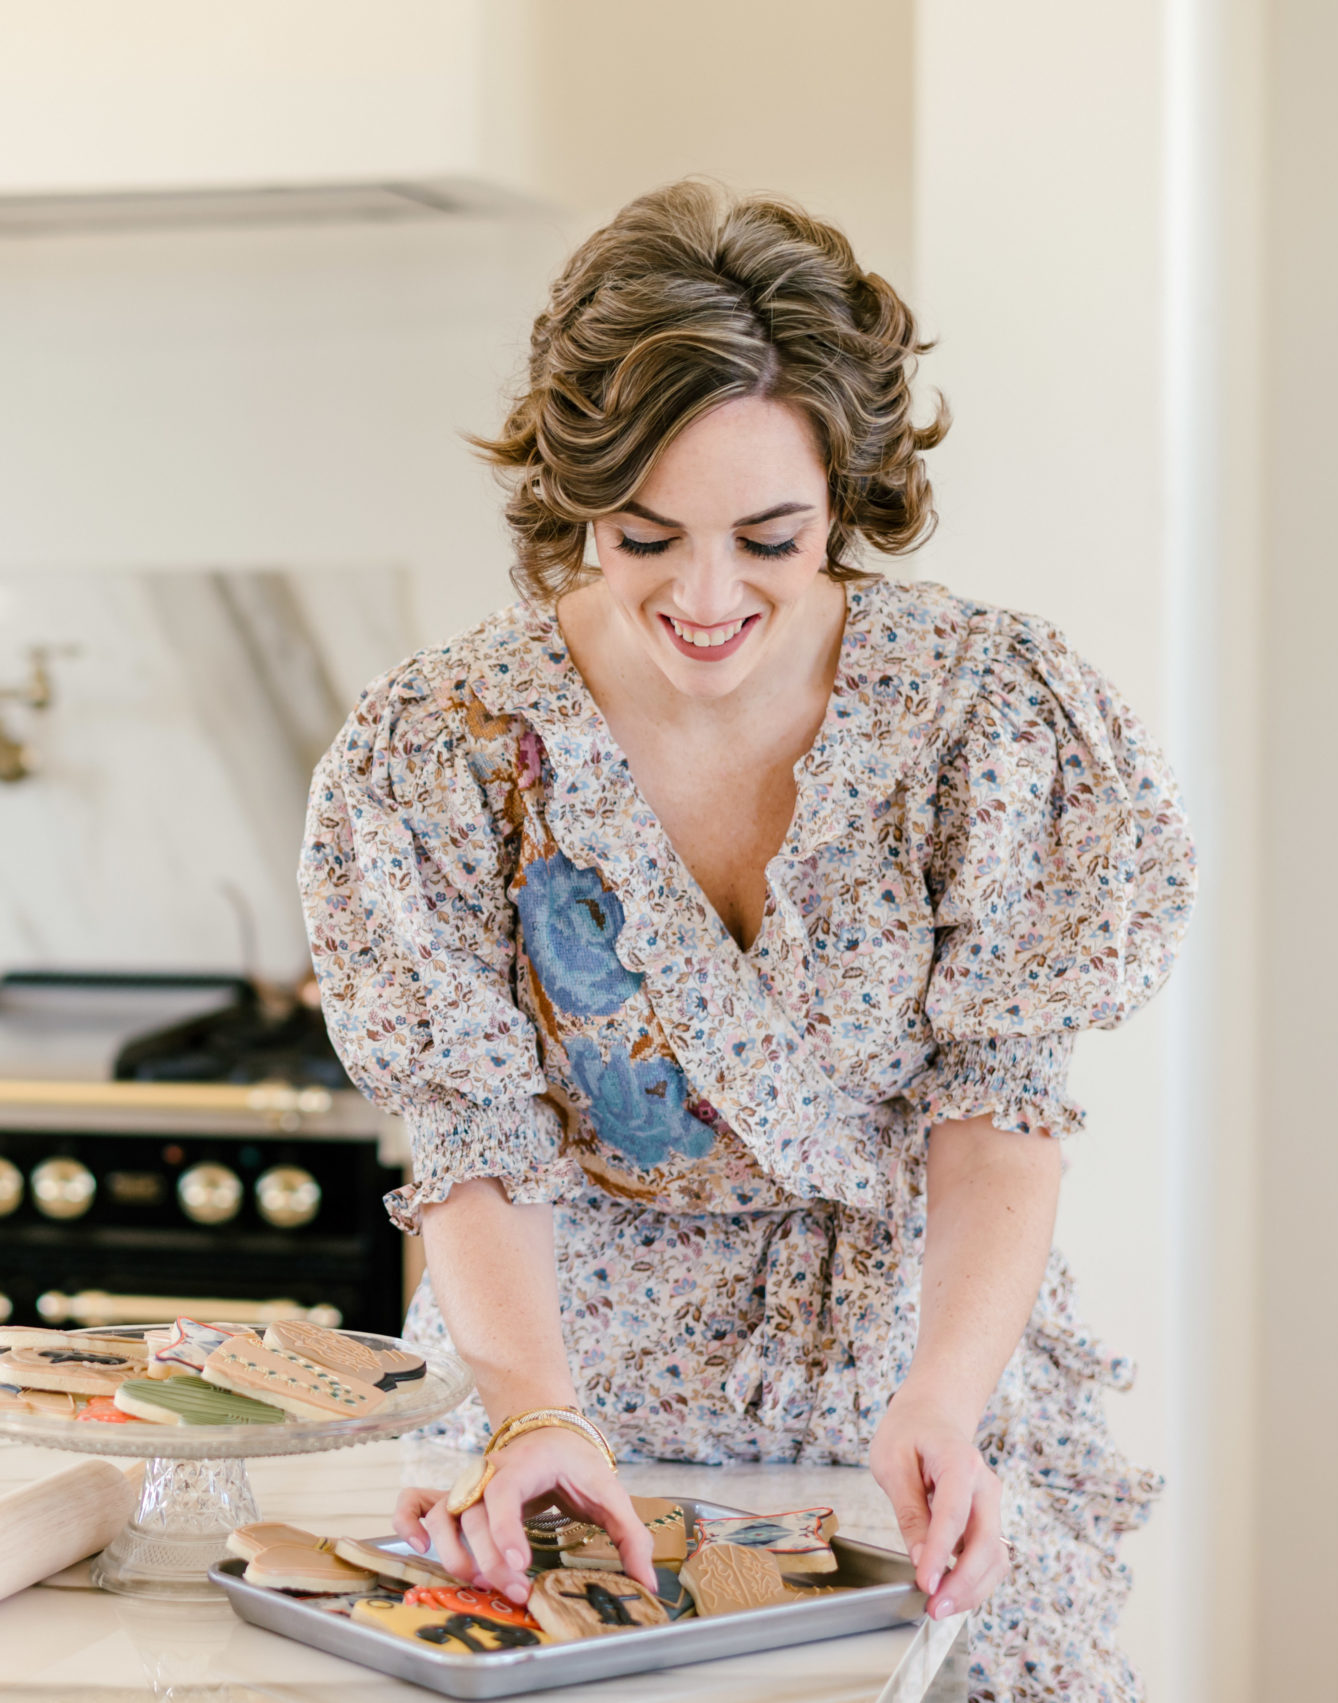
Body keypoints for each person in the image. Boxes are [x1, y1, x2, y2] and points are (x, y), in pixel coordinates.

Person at [299, 181, 1191, 1703]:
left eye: (770, 538)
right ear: (574, 492)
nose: (708, 599)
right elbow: (473, 1137)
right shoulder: (441, 751)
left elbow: (999, 1107)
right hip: (570, 1393)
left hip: (911, 1376)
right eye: (646, 536)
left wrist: (945, 1399)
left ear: (849, 495)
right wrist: (530, 1416)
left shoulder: (984, 719)